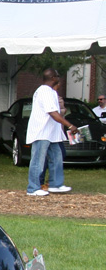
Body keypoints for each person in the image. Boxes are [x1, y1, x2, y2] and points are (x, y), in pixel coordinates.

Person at [26, 68, 78, 197]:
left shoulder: (51, 92)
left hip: (52, 133)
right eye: (58, 76)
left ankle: (56, 185)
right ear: (53, 78)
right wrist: (70, 125)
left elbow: (57, 113)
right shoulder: (44, 91)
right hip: (42, 131)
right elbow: (53, 113)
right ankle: (33, 188)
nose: (60, 78)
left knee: (56, 158)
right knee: (38, 160)